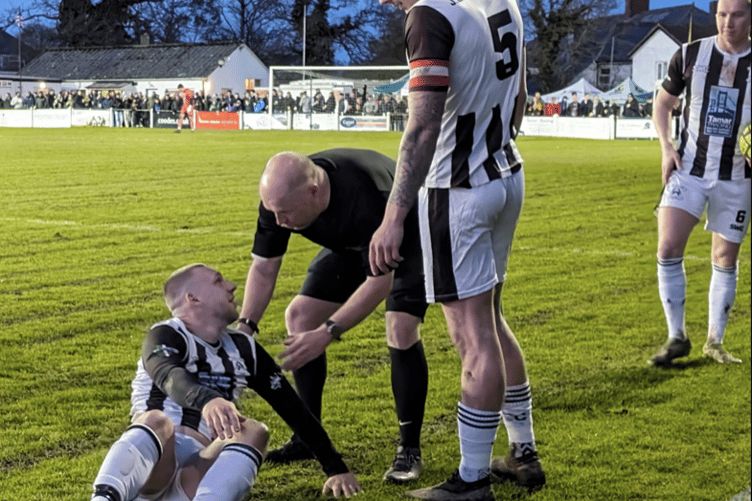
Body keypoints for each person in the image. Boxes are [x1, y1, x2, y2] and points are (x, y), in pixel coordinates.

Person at [371, 0, 545, 499]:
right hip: (506, 174)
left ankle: (471, 481)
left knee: (473, 338)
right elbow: (520, 95)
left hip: (458, 190)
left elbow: (423, 126)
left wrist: (394, 215)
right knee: (491, 318)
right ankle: (522, 450)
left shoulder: (428, 16)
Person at [237, 148, 430, 483]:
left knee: (399, 328)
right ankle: (306, 438)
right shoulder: (279, 198)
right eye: (273, 212)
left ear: (314, 191)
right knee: (299, 316)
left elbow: (380, 282)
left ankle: (409, 449)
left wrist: (328, 333)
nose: (279, 221)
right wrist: (245, 327)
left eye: (285, 213)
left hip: (410, 237)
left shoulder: (367, 196)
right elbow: (265, 267)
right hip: (354, 245)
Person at [90, 264, 361, 501]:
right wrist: (208, 399)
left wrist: (336, 468)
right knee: (155, 421)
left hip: (198, 472)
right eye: (218, 281)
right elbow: (169, 375)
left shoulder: (244, 348)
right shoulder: (165, 335)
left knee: (254, 430)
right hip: (150, 472)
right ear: (193, 298)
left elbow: (292, 407)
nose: (231, 287)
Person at [650, 0, 750, 367]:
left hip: (737, 177)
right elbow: (662, 104)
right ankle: (676, 337)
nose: (728, 22)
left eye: (737, 14)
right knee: (667, 246)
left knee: (725, 258)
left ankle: (714, 341)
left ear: (750, 16)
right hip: (690, 169)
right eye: (722, 14)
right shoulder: (690, 54)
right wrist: (666, 147)